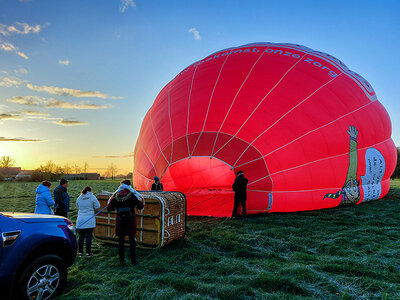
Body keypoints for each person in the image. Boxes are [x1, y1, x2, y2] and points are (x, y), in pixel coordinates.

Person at [107, 180, 144, 265]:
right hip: (130, 221)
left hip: (120, 221)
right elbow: (140, 206)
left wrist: (117, 208)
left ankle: (122, 260)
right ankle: (133, 261)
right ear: (129, 186)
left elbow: (109, 208)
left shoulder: (116, 196)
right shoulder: (132, 196)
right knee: (132, 241)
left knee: (121, 242)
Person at [76, 186, 100, 258]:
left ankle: (80, 252)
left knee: (81, 236)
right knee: (88, 236)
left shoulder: (79, 197)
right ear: (90, 190)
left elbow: (77, 206)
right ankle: (88, 253)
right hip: (89, 219)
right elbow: (98, 206)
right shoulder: (92, 197)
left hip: (80, 219)